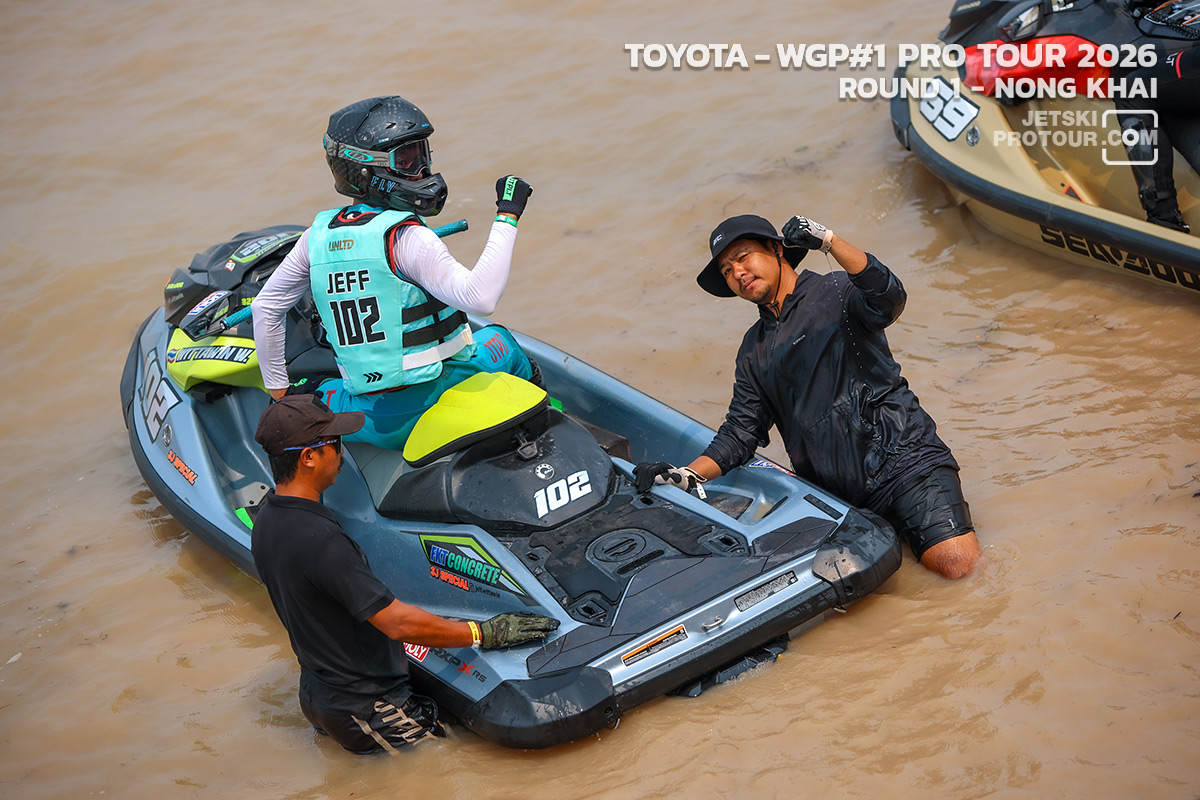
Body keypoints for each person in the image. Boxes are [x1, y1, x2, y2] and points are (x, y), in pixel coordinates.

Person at [634, 214, 981, 580]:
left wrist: (829, 241)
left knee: (957, 569)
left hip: (906, 464)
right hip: (842, 502)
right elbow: (740, 433)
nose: (737, 272)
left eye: (743, 257)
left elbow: (888, 297)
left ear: (776, 249)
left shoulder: (837, 291)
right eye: (726, 270)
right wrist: (686, 475)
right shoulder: (753, 351)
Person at [251, 393, 558, 754]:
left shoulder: (267, 520)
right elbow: (396, 623)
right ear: (308, 457)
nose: (342, 454)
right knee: (440, 765)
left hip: (319, 692)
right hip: (371, 709)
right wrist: (483, 632)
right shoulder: (321, 539)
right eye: (335, 444)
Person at [252, 95, 537, 450]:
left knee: (314, 389)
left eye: (422, 155)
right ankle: (542, 425)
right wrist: (508, 213)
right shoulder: (407, 238)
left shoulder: (314, 239)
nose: (422, 171)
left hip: (374, 419)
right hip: (437, 396)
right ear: (366, 169)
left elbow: (266, 309)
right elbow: (481, 298)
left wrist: (281, 393)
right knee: (501, 340)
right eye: (406, 160)